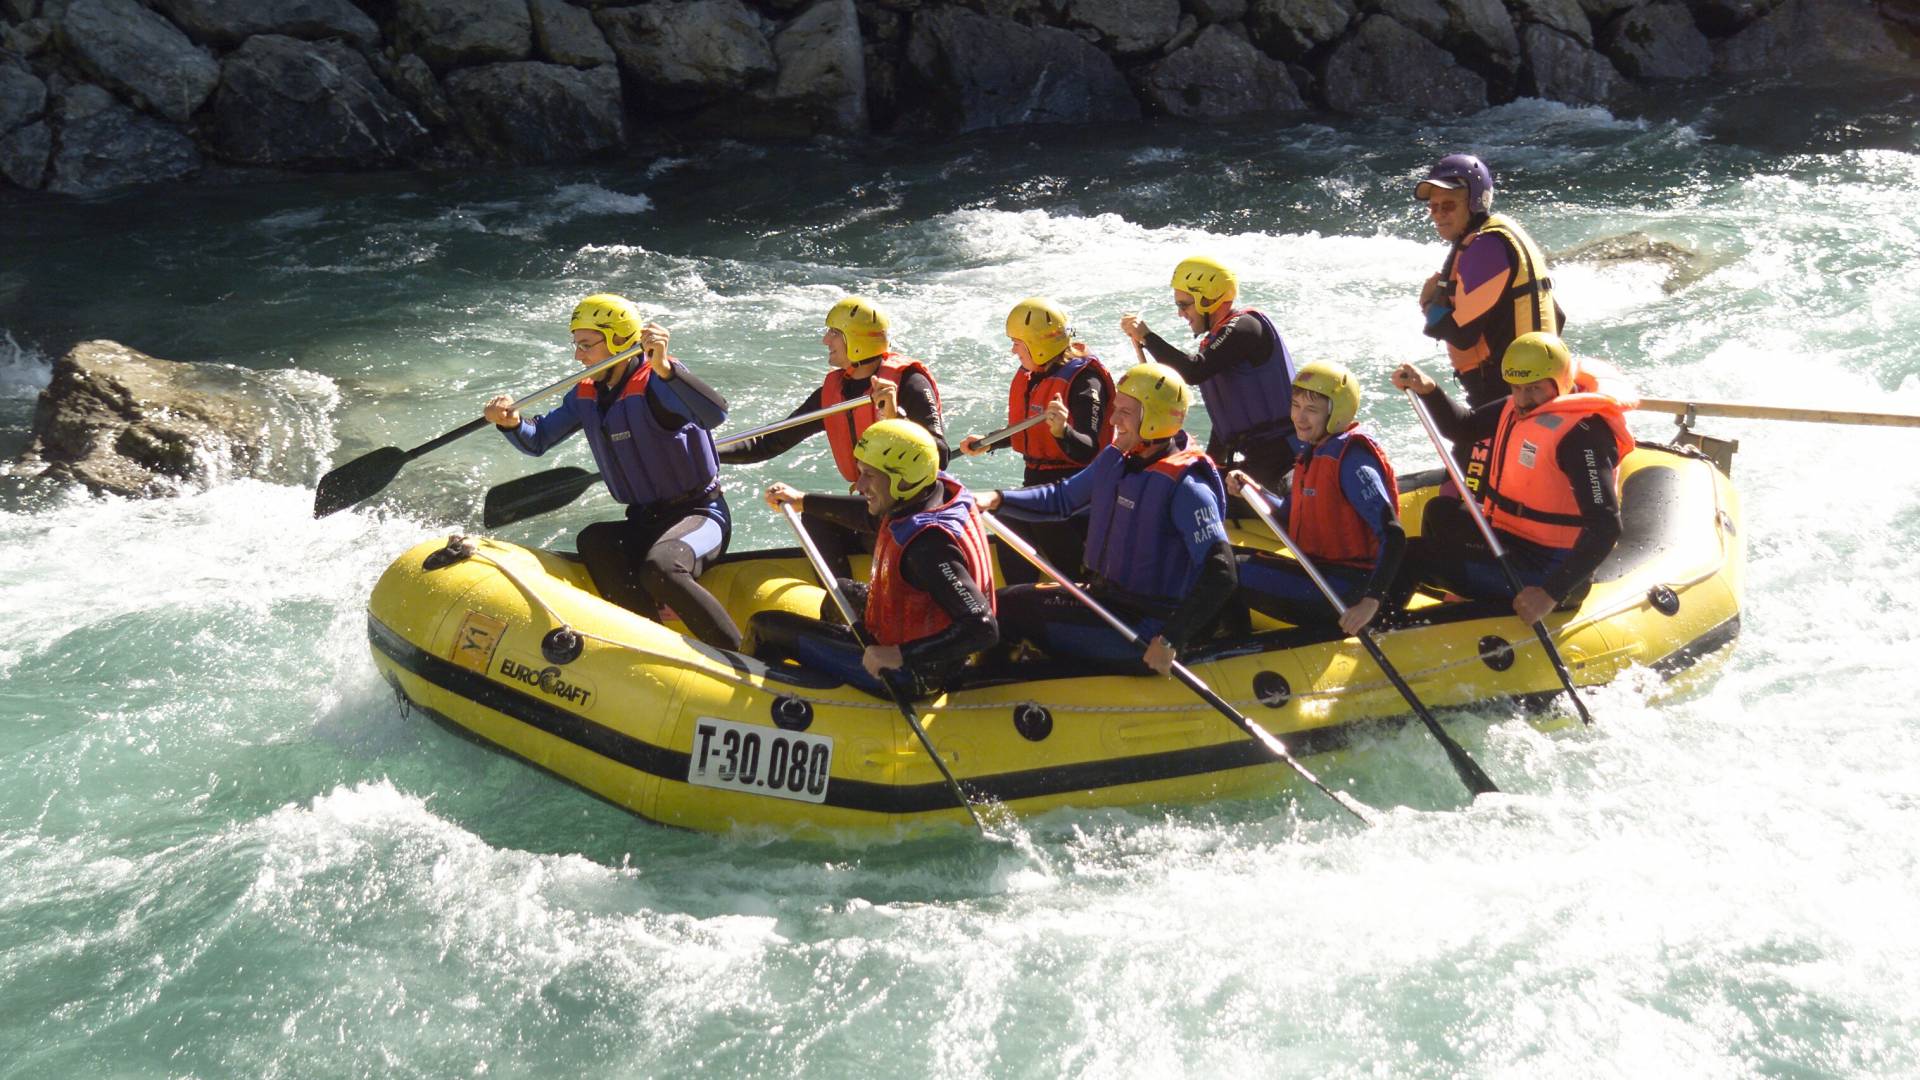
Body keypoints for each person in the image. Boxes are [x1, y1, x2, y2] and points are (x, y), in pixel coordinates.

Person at [484, 293, 742, 650]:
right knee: (596, 540)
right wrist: (511, 423)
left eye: (587, 345)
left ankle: (741, 656)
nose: (578, 356)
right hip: (643, 519)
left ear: (620, 340)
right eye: (576, 345)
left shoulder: (658, 383)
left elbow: (715, 415)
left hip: (700, 514)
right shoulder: (587, 393)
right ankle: (650, 641)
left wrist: (667, 369)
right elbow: (539, 439)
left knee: (661, 570)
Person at [978, 363, 1235, 676]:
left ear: (1153, 419)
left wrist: (1170, 640)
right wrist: (997, 499)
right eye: (1116, 410)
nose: (1113, 421)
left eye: (1125, 412)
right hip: (1106, 600)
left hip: (1143, 627)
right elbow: (1061, 500)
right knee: (1003, 602)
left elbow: (1221, 572)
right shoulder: (1120, 458)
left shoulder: (1188, 487)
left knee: (1008, 613)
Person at [1389, 332, 1636, 625]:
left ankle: (1376, 630)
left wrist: (1548, 594)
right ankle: (1464, 603)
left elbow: (1606, 525)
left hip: (1547, 572)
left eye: (1533, 389)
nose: (1522, 400)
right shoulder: (1517, 406)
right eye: (1516, 388)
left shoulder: (1582, 437)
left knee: (1414, 555)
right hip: (1511, 542)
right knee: (1440, 512)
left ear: (1561, 383)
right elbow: (1463, 427)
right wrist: (1428, 389)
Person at [750, 420, 997, 699]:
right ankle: (838, 676)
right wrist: (803, 500)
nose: (859, 485)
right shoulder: (929, 488)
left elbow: (982, 626)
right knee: (841, 591)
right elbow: (873, 516)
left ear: (903, 480)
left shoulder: (928, 547)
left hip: (916, 672)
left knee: (765, 627)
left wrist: (899, 655)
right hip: (912, 639)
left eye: (869, 475)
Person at [719, 295, 948, 576]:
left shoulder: (910, 384)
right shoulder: (836, 391)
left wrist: (892, 418)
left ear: (857, 341)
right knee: (816, 519)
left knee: (813, 509)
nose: (826, 341)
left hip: (910, 512)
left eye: (834, 333)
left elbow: (940, 456)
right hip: (872, 507)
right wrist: (707, 451)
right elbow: (769, 442)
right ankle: (843, 605)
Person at [1227, 360, 1404, 636]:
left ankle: (1227, 646)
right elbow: (1290, 515)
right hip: (1321, 573)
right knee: (1224, 558)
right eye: (1296, 406)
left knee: (1226, 570)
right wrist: (1254, 490)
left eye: (1311, 410)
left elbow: (1393, 534)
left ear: (1337, 413)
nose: (1299, 417)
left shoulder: (1352, 461)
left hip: (1347, 589)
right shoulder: (1316, 452)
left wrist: (1371, 601)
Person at [958, 296, 1115, 585]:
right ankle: (1021, 596)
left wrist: (1062, 432)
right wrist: (991, 441)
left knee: (1043, 522)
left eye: (1018, 342)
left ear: (1038, 345)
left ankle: (1080, 586)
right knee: (1007, 518)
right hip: (1038, 483)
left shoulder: (1085, 381)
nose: (1013, 349)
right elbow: (1030, 428)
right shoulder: (1036, 374)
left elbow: (1087, 449)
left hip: (1075, 491)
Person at [1118, 255, 1298, 493]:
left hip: (1281, 458)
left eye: (1184, 305)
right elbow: (1228, 417)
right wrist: (1212, 461)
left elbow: (1193, 371)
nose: (1180, 314)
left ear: (1208, 300)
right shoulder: (1218, 343)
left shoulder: (1245, 327)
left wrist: (1148, 337)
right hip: (1252, 458)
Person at [1415, 153, 1565, 413]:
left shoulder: (1486, 248)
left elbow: (1460, 335)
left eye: (1448, 205)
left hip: (1509, 390)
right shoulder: (1495, 237)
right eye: (1433, 206)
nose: (1438, 214)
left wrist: (1428, 303)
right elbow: (1558, 315)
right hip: (1526, 382)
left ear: (1475, 202)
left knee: (1460, 436)